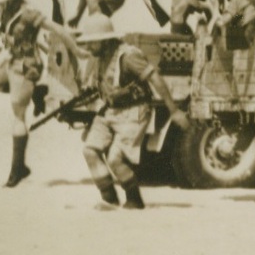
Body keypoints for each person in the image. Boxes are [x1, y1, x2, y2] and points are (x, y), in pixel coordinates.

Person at [0, 0, 81, 187]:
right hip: (10, 62)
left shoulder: (28, 12)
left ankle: (17, 169)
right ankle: (36, 92)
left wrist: (76, 50)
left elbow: (57, 28)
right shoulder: (7, 11)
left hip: (26, 66)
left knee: (18, 117)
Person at [74, 14, 189, 209]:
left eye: (93, 43)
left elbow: (155, 79)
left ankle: (134, 199)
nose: (90, 47)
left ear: (105, 40)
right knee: (90, 150)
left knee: (115, 159)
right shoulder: (101, 57)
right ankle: (109, 198)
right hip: (111, 110)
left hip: (134, 112)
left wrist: (174, 110)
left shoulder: (128, 56)